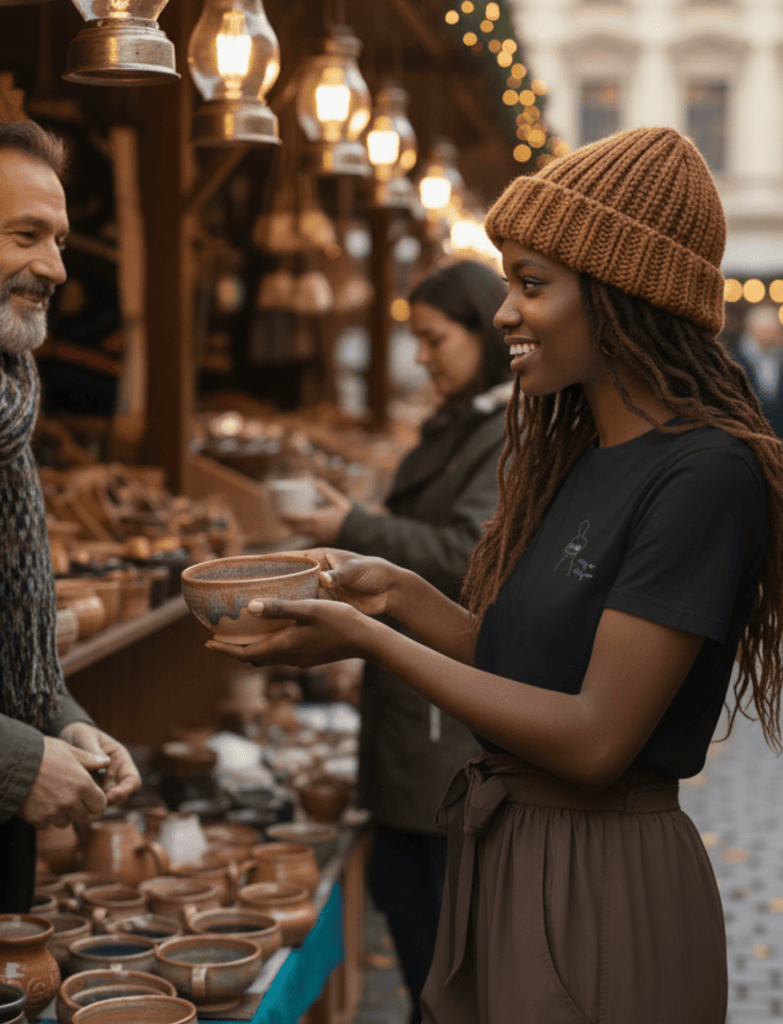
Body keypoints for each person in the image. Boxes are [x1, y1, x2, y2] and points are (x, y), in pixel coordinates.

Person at [208, 127, 783, 1024]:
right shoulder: (581, 455)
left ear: (621, 297)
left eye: (532, 285)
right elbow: (519, 669)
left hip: (602, 882)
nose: (503, 315)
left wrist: (368, 640)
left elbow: (595, 738)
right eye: (506, 284)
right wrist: (397, 594)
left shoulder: (705, 474)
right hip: (513, 857)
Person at [0, 113, 141, 983]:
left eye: (61, 239)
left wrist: (61, 722)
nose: (55, 267)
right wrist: (16, 762)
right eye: (26, 234)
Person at [279, 260, 511, 1024]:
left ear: (483, 331)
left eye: (434, 339)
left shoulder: (501, 429)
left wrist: (352, 529)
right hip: (415, 722)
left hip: (442, 733)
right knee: (418, 927)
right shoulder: (463, 423)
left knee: (441, 955)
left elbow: (461, 554)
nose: (421, 356)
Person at [731, 303, 783, 450]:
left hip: (781, 438)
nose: (774, 337)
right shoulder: (735, 360)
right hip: (748, 437)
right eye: (768, 332)